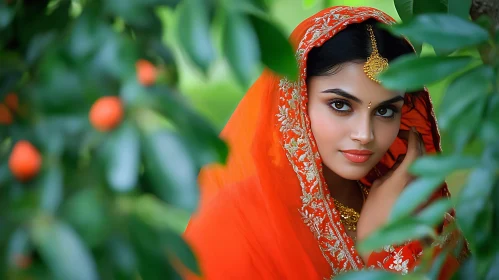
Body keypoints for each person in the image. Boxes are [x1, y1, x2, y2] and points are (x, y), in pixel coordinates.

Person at [183, 6, 468, 279]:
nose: (364, 134)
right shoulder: (234, 222)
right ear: (297, 99)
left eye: (385, 110)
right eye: (340, 105)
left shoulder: (415, 209)